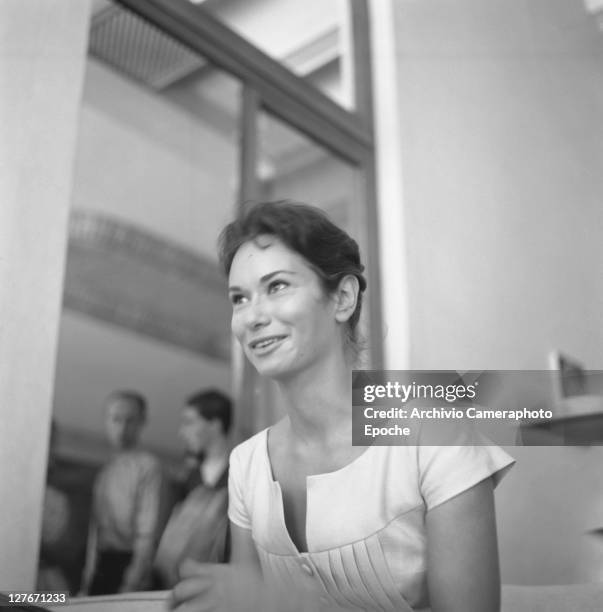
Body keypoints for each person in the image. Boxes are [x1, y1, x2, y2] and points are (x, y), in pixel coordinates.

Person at [171, 201, 515, 612]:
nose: (252, 317)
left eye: (277, 286)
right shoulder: (246, 465)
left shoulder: (435, 432)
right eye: (239, 298)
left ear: (343, 298)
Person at [81, 391, 166, 595]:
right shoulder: (106, 470)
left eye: (130, 420)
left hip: (129, 565)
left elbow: (148, 533)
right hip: (102, 565)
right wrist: (87, 579)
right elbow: (96, 531)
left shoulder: (149, 467)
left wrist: (131, 583)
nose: (122, 428)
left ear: (142, 422)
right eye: (115, 419)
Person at [153, 390, 232, 588]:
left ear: (215, 425)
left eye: (190, 422)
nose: (182, 432)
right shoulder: (183, 480)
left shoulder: (242, 474)